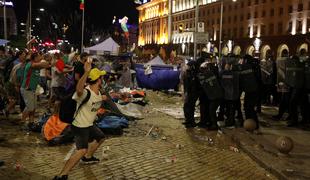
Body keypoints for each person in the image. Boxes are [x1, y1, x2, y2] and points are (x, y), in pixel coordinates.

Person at [54, 61, 107, 180]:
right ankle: (62, 175)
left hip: (89, 124)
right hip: (79, 126)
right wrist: (87, 71)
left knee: (101, 137)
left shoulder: (98, 92)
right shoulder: (85, 92)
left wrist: (103, 98)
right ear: (98, 79)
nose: (103, 79)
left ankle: (88, 157)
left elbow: (97, 100)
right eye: (101, 77)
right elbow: (79, 90)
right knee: (81, 150)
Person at [20, 52, 50, 123]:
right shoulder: (31, 64)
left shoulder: (36, 66)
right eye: (39, 56)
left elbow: (47, 65)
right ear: (35, 58)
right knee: (29, 107)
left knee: (33, 108)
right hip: (27, 88)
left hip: (32, 89)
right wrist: (45, 60)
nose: (41, 58)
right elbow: (45, 64)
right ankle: (23, 121)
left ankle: (31, 122)